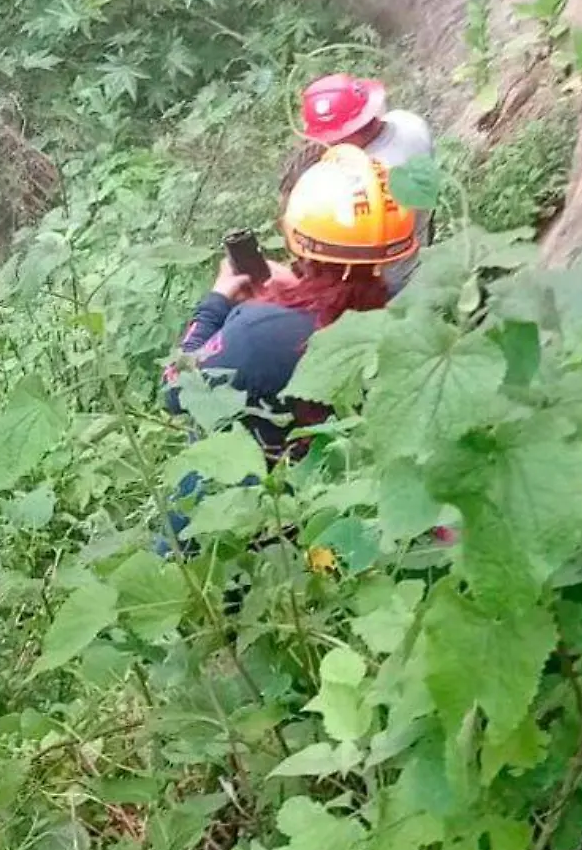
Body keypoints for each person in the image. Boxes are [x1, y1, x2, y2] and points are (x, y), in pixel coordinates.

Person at [158, 145, 416, 552]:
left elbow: (175, 389)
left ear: (298, 236)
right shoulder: (411, 312)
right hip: (336, 520)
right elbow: (344, 300)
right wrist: (298, 292)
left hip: (239, 523)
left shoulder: (260, 332)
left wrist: (216, 304)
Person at [284, 74, 435, 294]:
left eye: (327, 136)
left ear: (343, 134)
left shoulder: (363, 178)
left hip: (383, 280)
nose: (323, 142)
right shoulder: (410, 124)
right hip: (419, 254)